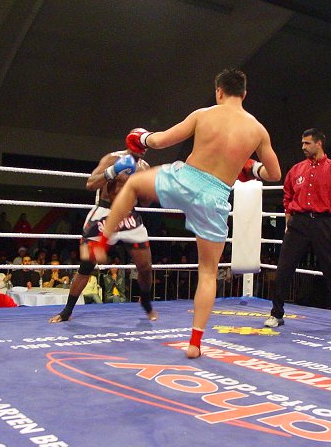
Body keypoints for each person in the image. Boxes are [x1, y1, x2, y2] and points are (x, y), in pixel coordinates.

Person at [86, 69, 282, 358]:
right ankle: (194, 343)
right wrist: (252, 168)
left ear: (219, 91)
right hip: (216, 196)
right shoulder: (258, 131)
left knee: (135, 184)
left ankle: (102, 242)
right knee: (208, 272)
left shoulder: (204, 114)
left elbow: (161, 141)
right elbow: (274, 174)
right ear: (244, 93)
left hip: (186, 179)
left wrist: (142, 138)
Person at [49, 136, 158, 323]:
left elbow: (146, 201)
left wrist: (151, 189)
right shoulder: (111, 158)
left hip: (129, 217)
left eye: (144, 147)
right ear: (131, 145)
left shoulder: (145, 167)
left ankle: (147, 305)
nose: (143, 150)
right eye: (140, 146)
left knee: (146, 267)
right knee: (86, 266)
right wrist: (112, 171)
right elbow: (90, 184)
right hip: (103, 214)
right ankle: (66, 311)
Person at [263, 128, 331, 331]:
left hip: (323, 222)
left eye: (307, 143)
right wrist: (288, 221)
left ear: (319, 143)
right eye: (302, 143)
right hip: (298, 223)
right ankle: (276, 314)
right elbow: (287, 197)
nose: (303, 147)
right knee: (284, 268)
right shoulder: (296, 169)